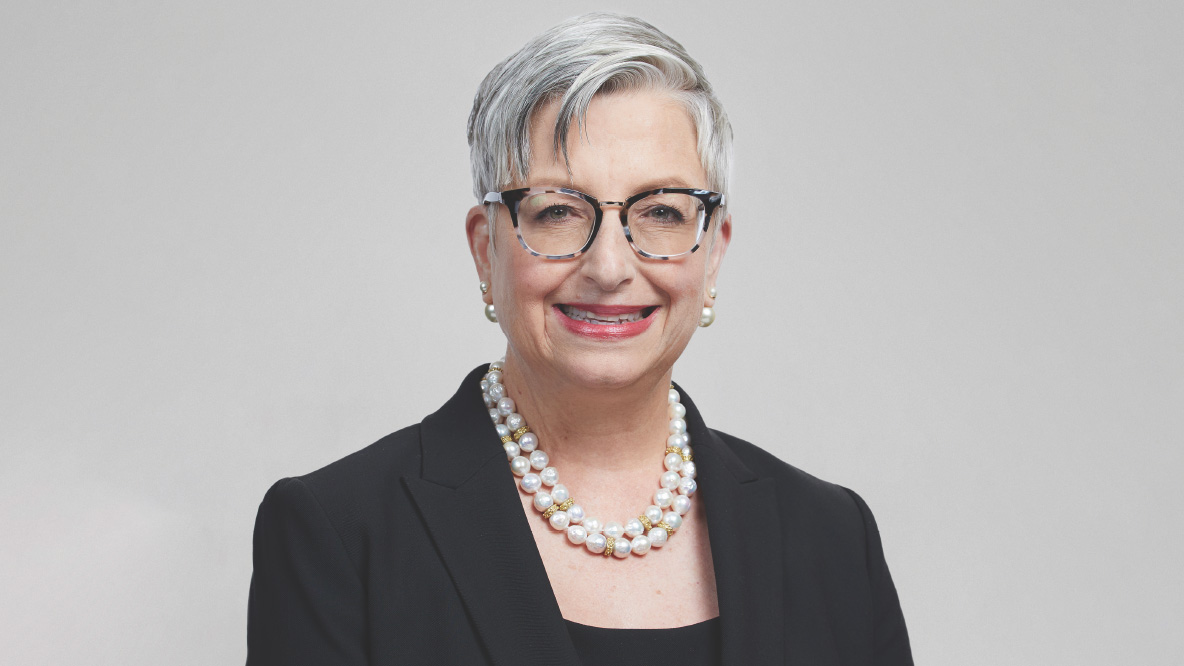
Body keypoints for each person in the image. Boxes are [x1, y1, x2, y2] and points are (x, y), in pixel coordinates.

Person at [247, 12, 913, 665]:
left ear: (713, 255)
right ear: (486, 251)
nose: (609, 267)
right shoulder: (338, 533)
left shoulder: (831, 538)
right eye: (560, 211)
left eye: (660, 212)